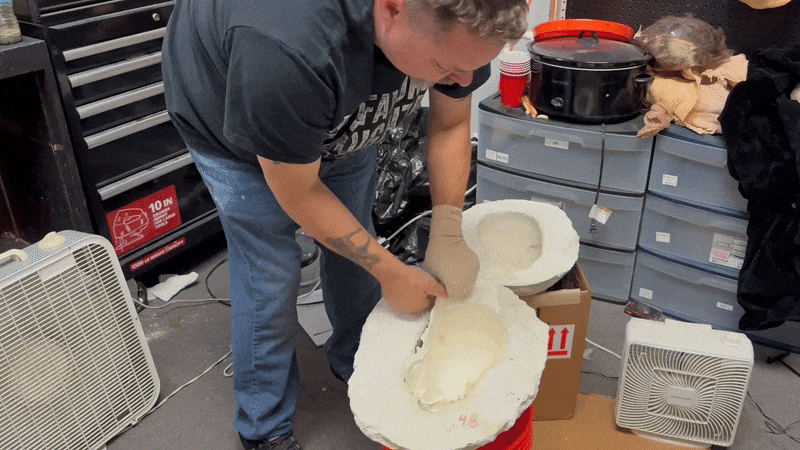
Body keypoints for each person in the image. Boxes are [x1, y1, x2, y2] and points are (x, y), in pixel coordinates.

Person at [161, 0, 529, 448]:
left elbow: (451, 125)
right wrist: (392, 272)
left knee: (356, 240)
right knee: (269, 271)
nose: (464, 80)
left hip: (333, 108)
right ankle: (265, 424)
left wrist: (449, 227)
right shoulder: (288, 45)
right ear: (392, 9)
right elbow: (299, 192)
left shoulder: (461, 27)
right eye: (445, 67)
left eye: (473, 67)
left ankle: (358, 359)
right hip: (233, 125)